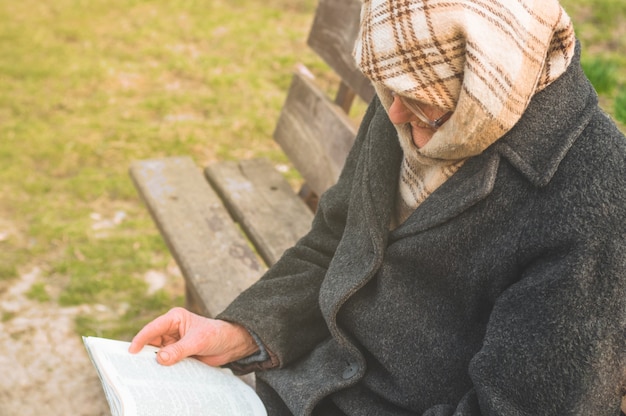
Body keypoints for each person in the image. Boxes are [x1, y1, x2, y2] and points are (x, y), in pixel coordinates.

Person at [129, 0, 626, 414]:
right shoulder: (411, 91)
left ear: (485, 79)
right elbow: (333, 242)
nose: (391, 112)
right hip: (306, 390)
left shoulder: (594, 195)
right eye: (388, 88)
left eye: (418, 97)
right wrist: (240, 331)